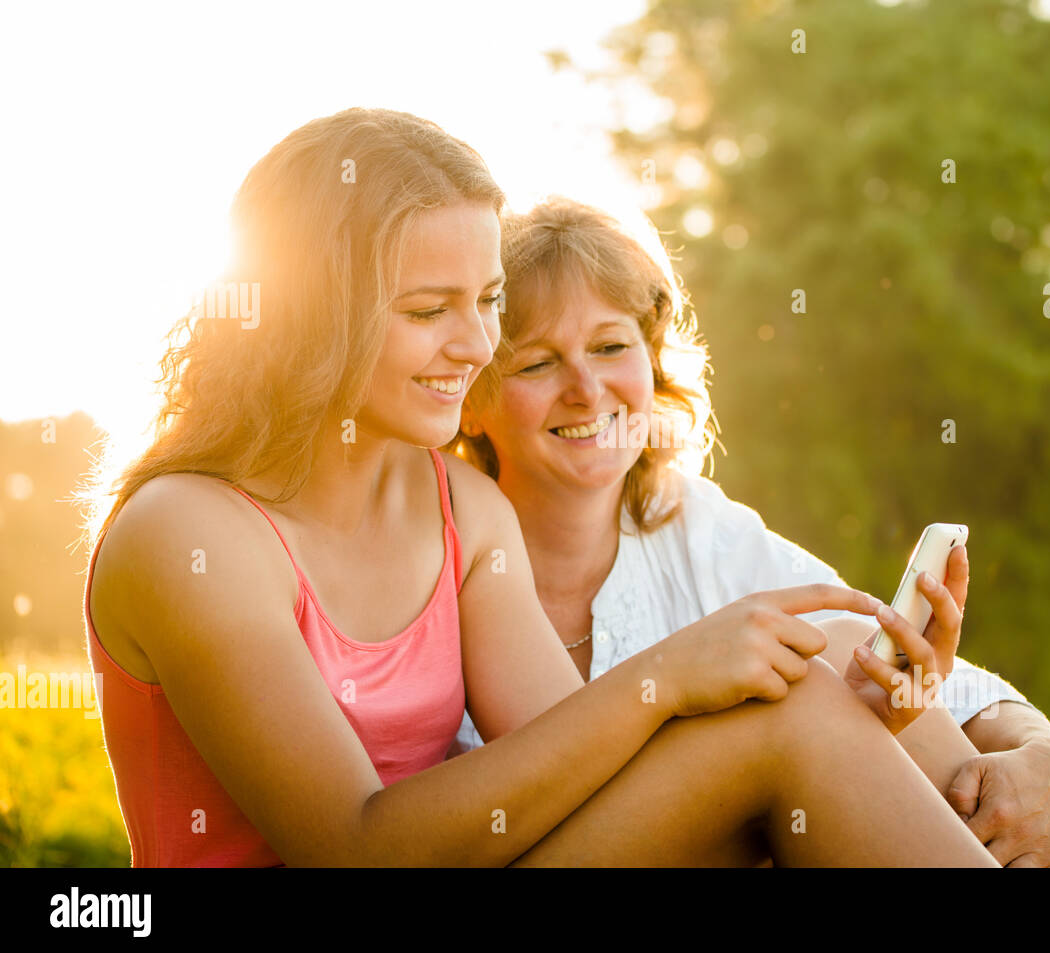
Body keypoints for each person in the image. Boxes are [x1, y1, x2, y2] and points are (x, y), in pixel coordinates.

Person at [81, 107, 1000, 867]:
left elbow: (582, 774)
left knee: (827, 667)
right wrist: (673, 675)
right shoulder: (190, 534)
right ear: (312, 315)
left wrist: (859, 723)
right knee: (802, 705)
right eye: (428, 310)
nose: (476, 346)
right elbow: (353, 846)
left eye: (485, 302)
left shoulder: (461, 509)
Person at [450, 197, 1050, 866]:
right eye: (537, 363)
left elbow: (904, 665)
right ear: (471, 398)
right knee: (804, 698)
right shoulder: (437, 545)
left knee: (841, 647)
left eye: (611, 346)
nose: (586, 387)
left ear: (652, 363)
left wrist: (1046, 754)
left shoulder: (691, 523)